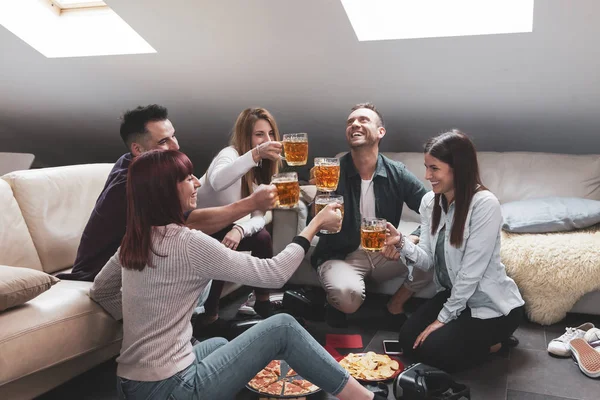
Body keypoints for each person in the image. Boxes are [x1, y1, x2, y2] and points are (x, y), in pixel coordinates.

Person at [89, 150, 385, 400]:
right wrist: (314, 225)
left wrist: (150, 324)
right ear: (165, 190)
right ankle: (365, 398)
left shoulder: (135, 237)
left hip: (128, 384)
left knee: (217, 345)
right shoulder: (188, 242)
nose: (196, 183)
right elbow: (274, 274)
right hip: (171, 388)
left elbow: (101, 291)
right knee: (282, 327)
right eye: (188, 178)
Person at [57, 104, 277, 283]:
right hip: (99, 273)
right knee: (198, 247)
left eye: (174, 136)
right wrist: (250, 204)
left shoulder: (137, 164)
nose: (175, 146)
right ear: (138, 149)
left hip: (138, 256)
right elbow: (189, 223)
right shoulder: (133, 185)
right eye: (164, 141)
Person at [382, 130, 525, 372]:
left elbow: (471, 274)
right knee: (407, 341)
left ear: (458, 168)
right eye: (426, 167)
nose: (427, 175)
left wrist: (442, 319)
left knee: (434, 351)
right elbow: (427, 262)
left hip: (491, 305)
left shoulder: (485, 204)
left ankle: (496, 343)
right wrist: (401, 242)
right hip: (453, 296)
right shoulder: (430, 202)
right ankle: (472, 341)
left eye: (434, 168)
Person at [310, 102, 432, 327]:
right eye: (350, 122)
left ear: (380, 132)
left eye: (363, 120)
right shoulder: (332, 171)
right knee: (347, 300)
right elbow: (316, 225)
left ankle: (394, 306)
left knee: (433, 256)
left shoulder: (397, 172)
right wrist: (321, 193)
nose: (355, 124)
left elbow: (434, 211)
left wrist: (410, 239)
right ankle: (333, 301)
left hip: (383, 253)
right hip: (342, 255)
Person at [195, 107, 283, 326]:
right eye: (259, 134)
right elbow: (217, 181)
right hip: (197, 226)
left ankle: (262, 301)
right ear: (246, 136)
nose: (267, 140)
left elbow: (259, 215)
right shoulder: (230, 154)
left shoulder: (262, 169)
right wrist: (255, 154)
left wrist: (240, 229)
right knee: (222, 247)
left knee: (262, 237)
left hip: (223, 226)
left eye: (270, 134)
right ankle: (209, 314)